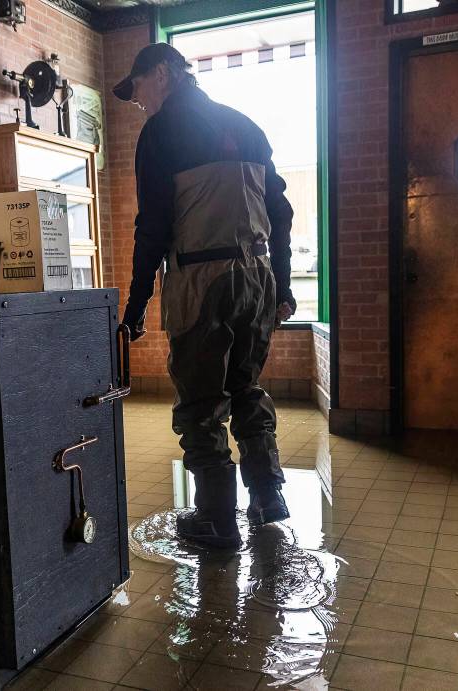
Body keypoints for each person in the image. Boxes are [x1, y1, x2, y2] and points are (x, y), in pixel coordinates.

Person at [113, 43, 296, 549]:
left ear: (164, 74)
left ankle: (216, 519)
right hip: (257, 277)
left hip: (202, 279)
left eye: (139, 89)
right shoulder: (247, 125)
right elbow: (281, 214)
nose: (138, 102)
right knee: (246, 385)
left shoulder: (161, 132)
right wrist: (282, 282)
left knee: (200, 402)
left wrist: (135, 306)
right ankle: (267, 494)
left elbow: (151, 227)